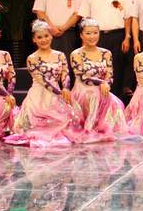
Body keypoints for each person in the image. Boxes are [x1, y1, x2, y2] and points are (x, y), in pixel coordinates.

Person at [5, 20, 86, 148]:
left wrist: (65, 88)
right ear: (34, 39)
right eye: (39, 37)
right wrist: (59, 92)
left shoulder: (60, 55)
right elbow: (42, 80)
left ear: (51, 36)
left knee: (68, 120)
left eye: (46, 36)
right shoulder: (32, 58)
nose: (43, 40)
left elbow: (65, 73)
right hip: (39, 94)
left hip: (58, 92)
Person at [78, 0, 134, 98]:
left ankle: (115, 102)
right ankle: (96, 100)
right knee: (96, 69)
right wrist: (85, 40)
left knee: (116, 70)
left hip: (118, 37)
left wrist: (127, 37)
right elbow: (85, 18)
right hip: (95, 38)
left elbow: (128, 17)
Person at [69, 18, 128, 140]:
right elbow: (83, 77)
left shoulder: (106, 53)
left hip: (101, 88)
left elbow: (110, 73)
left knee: (115, 103)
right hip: (83, 89)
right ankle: (89, 128)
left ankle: (105, 128)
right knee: (93, 95)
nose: (92, 36)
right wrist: (102, 82)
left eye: (95, 33)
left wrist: (106, 83)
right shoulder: (76, 54)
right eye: (88, 33)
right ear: (81, 35)